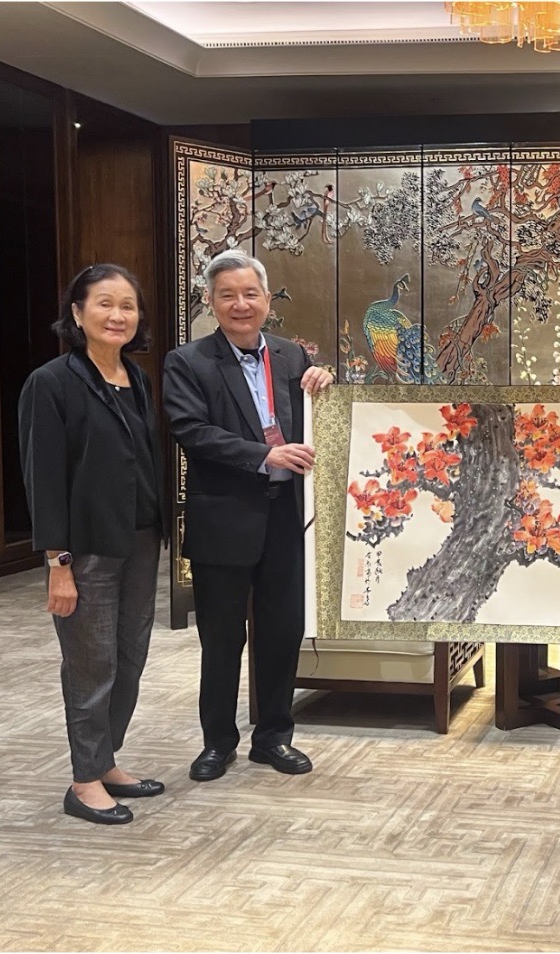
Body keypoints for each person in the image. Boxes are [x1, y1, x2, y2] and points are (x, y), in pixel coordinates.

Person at [163, 250, 333, 783]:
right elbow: (191, 431)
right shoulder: (187, 362)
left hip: (287, 519)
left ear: (266, 299)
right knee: (221, 638)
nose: (241, 304)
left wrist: (327, 378)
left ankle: (274, 737)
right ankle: (218, 742)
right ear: (211, 303)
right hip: (224, 520)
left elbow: (318, 418)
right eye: (227, 295)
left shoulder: (290, 356)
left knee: (282, 632)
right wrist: (264, 455)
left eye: (250, 293)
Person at [18, 264, 167, 825]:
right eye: (103, 304)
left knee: (129, 656)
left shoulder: (137, 376)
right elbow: (44, 478)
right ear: (77, 314)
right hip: (85, 549)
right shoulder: (51, 383)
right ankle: (83, 782)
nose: (117, 315)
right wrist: (57, 563)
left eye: (127, 305)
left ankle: (106, 761)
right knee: (90, 663)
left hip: (139, 538)